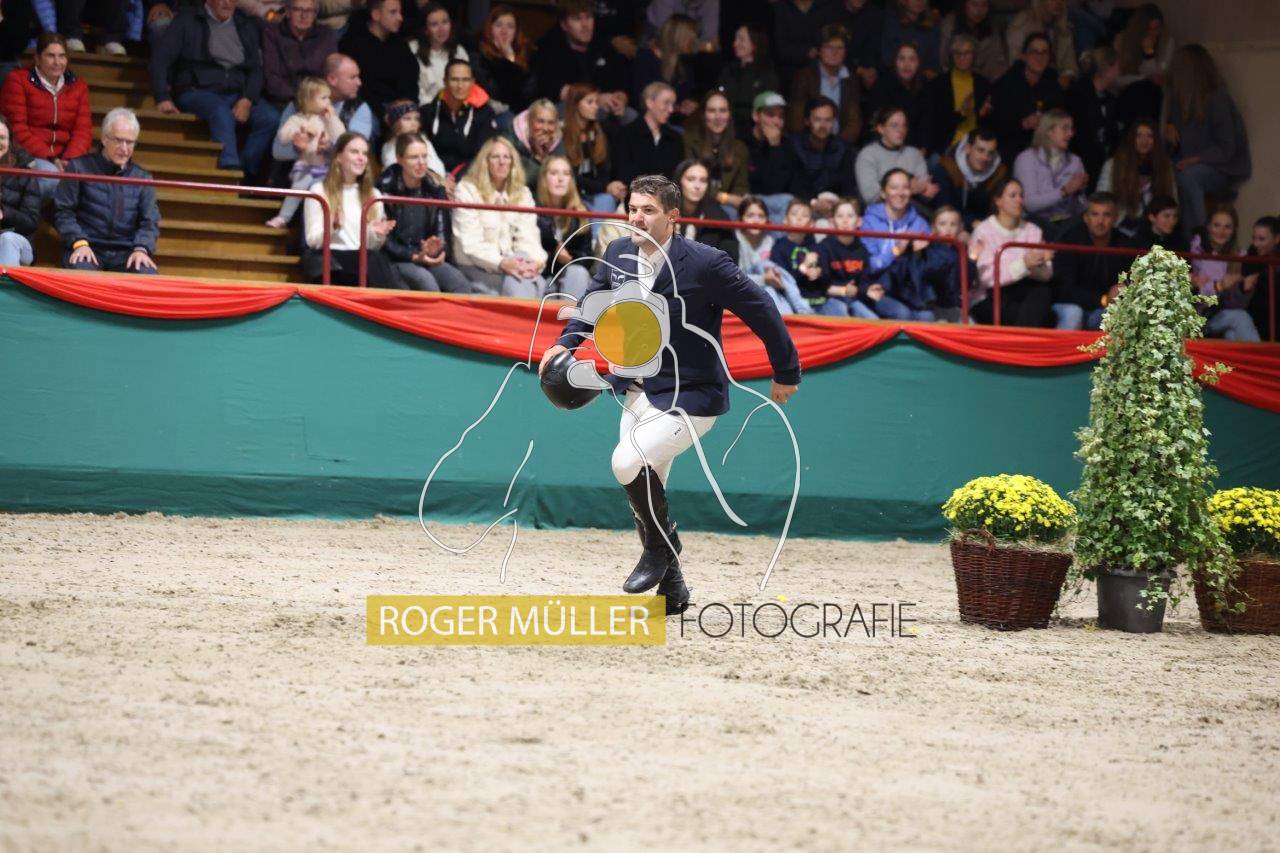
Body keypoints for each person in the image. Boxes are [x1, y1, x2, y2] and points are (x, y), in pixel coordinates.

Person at [538, 173, 801, 613]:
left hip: (691, 396)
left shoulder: (706, 262)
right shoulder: (617, 252)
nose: (637, 218)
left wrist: (786, 369)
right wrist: (566, 343)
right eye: (632, 209)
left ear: (673, 217)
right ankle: (673, 588)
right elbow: (593, 302)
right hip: (636, 390)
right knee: (648, 491)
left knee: (626, 462)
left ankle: (663, 548)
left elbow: (762, 308)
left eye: (648, 211)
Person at [150, 0, 280, 178]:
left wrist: (248, 98)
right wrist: (162, 97)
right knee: (221, 112)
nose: (227, 3)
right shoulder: (187, 21)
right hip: (197, 90)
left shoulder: (245, 25)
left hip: (237, 93)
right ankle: (229, 170)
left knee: (270, 118)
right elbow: (160, 59)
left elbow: (256, 70)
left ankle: (246, 172)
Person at [54, 108, 160, 275]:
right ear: (104, 138)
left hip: (127, 252)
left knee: (147, 276)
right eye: (118, 140)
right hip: (86, 246)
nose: (124, 148)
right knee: (84, 276)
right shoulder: (78, 167)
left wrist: (142, 248)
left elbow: (149, 221)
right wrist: (79, 242)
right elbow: (63, 212)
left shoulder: (143, 177)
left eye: (130, 142)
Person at [1163, 44, 1251, 241]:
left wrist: (1196, 159)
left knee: (1189, 177)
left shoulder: (1217, 99)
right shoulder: (1178, 101)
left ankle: (1198, 240)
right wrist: (1168, 131)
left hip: (1219, 168)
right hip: (1185, 164)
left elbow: (1226, 148)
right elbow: (1174, 148)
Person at [451, 135, 549, 298]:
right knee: (530, 288)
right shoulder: (467, 190)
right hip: (478, 266)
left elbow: (529, 236)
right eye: (495, 157)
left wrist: (533, 263)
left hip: (515, 265)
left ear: (513, 162)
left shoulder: (522, 193)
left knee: (526, 283)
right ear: (485, 162)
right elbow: (471, 244)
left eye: (506, 157)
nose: (502, 162)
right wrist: (503, 263)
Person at [0, 33, 91, 205]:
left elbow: (83, 131)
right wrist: (51, 159)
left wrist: (67, 160)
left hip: (66, 158)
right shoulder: (18, 80)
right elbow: (17, 129)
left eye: (62, 56)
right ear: (37, 58)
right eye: (50, 56)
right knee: (51, 178)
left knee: (90, 185)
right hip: (28, 154)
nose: (57, 62)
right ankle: (17, 214)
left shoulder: (79, 86)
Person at [374, 132, 471, 293]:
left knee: (460, 283)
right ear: (399, 159)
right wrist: (413, 256)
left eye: (424, 157)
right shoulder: (385, 188)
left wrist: (437, 250)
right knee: (426, 282)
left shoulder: (435, 188)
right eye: (414, 157)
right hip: (397, 258)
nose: (421, 163)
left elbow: (442, 231)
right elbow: (384, 241)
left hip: (426, 256)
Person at [301, 131, 397, 286]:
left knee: (376, 260)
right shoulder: (319, 191)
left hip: (361, 259)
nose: (361, 158)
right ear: (338, 156)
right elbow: (313, 241)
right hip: (331, 257)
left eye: (364, 153)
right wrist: (332, 227)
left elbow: (372, 246)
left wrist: (375, 233)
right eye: (354, 152)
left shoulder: (374, 194)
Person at [970, 176, 1054, 326]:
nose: (1019, 200)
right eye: (1013, 196)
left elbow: (1047, 274)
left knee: (1042, 293)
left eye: (1021, 196)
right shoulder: (983, 231)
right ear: (998, 201)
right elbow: (986, 278)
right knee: (1036, 316)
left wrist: (1039, 263)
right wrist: (1024, 264)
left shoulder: (1033, 230)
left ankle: (1023, 337)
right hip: (992, 295)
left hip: (1025, 290)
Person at [271, 53, 373, 171]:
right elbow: (277, 151)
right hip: (298, 174)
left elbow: (355, 153)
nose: (359, 83)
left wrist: (327, 149)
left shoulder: (359, 109)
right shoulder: (298, 106)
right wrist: (298, 148)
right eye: (352, 77)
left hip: (335, 177)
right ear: (332, 79)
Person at [266, 77, 345, 229]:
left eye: (329, 97)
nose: (328, 101)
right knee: (297, 189)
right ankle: (283, 217)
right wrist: (296, 134)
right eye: (324, 98)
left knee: (328, 191)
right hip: (305, 166)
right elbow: (282, 136)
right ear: (309, 100)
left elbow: (341, 135)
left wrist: (333, 118)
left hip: (324, 167)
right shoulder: (297, 119)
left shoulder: (327, 119)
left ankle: (335, 217)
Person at [1050, 192, 1131, 330]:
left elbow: (1133, 277)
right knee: (1074, 314)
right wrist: (1103, 299)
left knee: (1119, 315)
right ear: (1086, 218)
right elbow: (1064, 289)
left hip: (1105, 309)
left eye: (1106, 215)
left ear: (1115, 218)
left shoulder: (1124, 244)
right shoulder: (1070, 241)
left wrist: (1124, 287)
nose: (1100, 221)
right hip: (1070, 304)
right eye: (1095, 214)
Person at [530, 0, 628, 111]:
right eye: (577, 19)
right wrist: (596, 99)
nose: (585, 25)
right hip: (566, 108)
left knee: (629, 114)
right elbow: (555, 89)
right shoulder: (549, 48)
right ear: (564, 25)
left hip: (604, 107)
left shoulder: (603, 45)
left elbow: (620, 81)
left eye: (588, 17)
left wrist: (620, 98)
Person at [990, 32, 1065, 164]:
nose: (1039, 57)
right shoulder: (1006, 83)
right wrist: (1023, 124)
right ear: (1024, 56)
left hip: (1045, 148)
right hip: (1011, 150)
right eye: (1034, 52)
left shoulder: (1053, 82)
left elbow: (1060, 116)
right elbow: (996, 125)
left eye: (1044, 53)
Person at [1190, 205, 1259, 342]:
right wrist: (1219, 286)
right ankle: (1263, 356)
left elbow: (1233, 305)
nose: (1221, 231)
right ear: (1208, 227)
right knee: (1240, 318)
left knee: (1232, 334)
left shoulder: (1239, 257)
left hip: (1222, 314)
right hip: (1199, 316)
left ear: (1234, 230)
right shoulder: (1197, 252)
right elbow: (1197, 297)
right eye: (1217, 225)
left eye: (1227, 227)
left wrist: (1243, 289)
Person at [1013, 108, 1087, 235]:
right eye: (1065, 128)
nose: (1070, 134)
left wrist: (1078, 193)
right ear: (1049, 131)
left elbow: (1080, 208)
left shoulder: (1075, 162)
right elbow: (1029, 204)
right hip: (1033, 224)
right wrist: (1064, 192)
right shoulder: (1027, 159)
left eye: (1071, 129)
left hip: (1066, 223)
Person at [735, 195, 813, 315]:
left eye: (761, 216)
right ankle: (802, 309)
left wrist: (771, 278)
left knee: (770, 289)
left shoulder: (770, 241)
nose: (756, 221)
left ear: (767, 220)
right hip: (743, 291)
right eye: (750, 216)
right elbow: (734, 278)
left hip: (768, 288)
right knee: (764, 265)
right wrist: (764, 279)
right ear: (741, 219)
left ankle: (789, 318)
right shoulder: (734, 242)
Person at [420, 58, 499, 176]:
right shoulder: (428, 112)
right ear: (445, 81)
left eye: (465, 80)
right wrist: (437, 176)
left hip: (470, 175)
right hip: (433, 174)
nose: (460, 86)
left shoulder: (484, 113)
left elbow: (483, 154)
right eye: (454, 80)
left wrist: (457, 177)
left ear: (473, 82)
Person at [896, 205, 975, 322]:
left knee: (971, 324)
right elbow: (922, 276)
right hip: (932, 305)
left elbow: (968, 281)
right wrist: (917, 254)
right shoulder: (927, 249)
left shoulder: (960, 250)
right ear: (933, 227)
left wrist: (972, 259)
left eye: (953, 224)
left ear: (960, 228)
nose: (948, 229)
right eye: (942, 224)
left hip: (953, 305)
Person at [336, 0, 417, 113]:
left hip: (400, 108)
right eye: (393, 12)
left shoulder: (400, 45)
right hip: (365, 108)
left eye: (400, 12)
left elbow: (411, 81)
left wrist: (406, 105)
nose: (400, 18)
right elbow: (356, 89)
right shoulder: (352, 44)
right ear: (376, 15)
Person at [787, 24, 861, 145]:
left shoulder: (851, 79)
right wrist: (810, 145)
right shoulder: (804, 76)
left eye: (840, 48)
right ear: (819, 51)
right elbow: (796, 118)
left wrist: (838, 146)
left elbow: (854, 121)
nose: (834, 52)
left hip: (840, 145)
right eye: (829, 47)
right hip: (807, 144)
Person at [1097, 118, 1175, 232]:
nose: (1144, 141)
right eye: (1139, 136)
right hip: (1121, 227)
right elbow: (1101, 199)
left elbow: (1172, 201)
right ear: (1131, 139)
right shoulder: (1113, 165)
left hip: (1155, 229)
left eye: (1149, 136)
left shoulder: (1165, 166)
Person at [534, 154, 593, 302]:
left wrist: (569, 260)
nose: (560, 179)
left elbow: (587, 257)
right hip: (542, 276)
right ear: (544, 178)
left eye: (566, 174)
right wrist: (555, 256)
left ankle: (573, 317)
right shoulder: (533, 211)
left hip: (570, 277)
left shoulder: (581, 213)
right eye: (554, 173)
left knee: (578, 273)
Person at [260, 0, 339, 109]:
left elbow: (332, 73)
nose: (304, 16)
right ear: (288, 12)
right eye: (298, 10)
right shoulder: (273, 34)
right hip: (284, 101)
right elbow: (272, 78)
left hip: (319, 100)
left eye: (309, 11)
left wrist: (319, 98)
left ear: (315, 14)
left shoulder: (326, 35)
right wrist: (301, 99)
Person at [787, 96, 856, 219]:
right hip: (800, 208)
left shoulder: (843, 149)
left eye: (828, 120)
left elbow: (848, 188)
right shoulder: (793, 145)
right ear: (807, 121)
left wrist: (835, 204)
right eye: (817, 120)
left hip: (834, 211)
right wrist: (813, 202)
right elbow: (792, 185)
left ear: (834, 122)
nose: (823, 125)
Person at [562, 84, 624, 220]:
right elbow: (571, 177)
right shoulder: (564, 135)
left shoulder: (598, 133)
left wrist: (612, 187)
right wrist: (605, 187)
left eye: (596, 102)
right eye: (590, 102)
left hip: (595, 194)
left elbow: (604, 170)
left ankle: (600, 235)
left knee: (607, 200)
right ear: (575, 105)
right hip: (572, 193)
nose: (596, 107)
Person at [683, 91, 750, 216]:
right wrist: (723, 197)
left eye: (723, 111)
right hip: (694, 201)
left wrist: (731, 199)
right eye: (712, 111)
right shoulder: (689, 140)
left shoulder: (740, 148)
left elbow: (741, 188)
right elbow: (687, 181)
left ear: (729, 115)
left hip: (726, 208)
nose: (718, 117)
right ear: (704, 115)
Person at [927, 32, 993, 155]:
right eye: (957, 53)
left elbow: (988, 123)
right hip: (949, 145)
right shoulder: (939, 84)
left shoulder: (982, 83)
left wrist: (983, 114)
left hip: (977, 145)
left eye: (967, 53)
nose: (962, 57)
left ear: (974, 55)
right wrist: (961, 113)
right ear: (951, 56)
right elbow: (936, 124)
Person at [929, 125, 1007, 229]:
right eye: (980, 150)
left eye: (990, 153)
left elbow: (999, 209)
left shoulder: (999, 173)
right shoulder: (947, 167)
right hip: (951, 227)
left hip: (986, 228)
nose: (985, 158)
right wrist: (971, 223)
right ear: (968, 148)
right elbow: (943, 208)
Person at [855, 106, 935, 206]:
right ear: (881, 129)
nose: (901, 130)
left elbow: (927, 190)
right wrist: (909, 187)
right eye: (894, 125)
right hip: (880, 211)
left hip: (913, 209)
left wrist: (889, 189)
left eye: (904, 125)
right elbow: (871, 196)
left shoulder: (914, 154)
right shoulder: (868, 155)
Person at [1064, 46, 1120, 189]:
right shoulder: (1077, 94)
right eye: (1116, 66)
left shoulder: (1110, 99)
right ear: (1107, 68)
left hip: (1101, 163)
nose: (1119, 71)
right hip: (1079, 164)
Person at [861, 168, 931, 279]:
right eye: (894, 188)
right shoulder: (869, 222)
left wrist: (921, 253)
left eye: (905, 188)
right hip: (878, 283)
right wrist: (896, 250)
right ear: (883, 193)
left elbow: (930, 268)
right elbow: (868, 266)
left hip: (911, 284)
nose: (900, 193)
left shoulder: (920, 223)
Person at [816, 197, 879, 318]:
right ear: (832, 222)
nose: (845, 220)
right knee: (842, 314)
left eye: (850, 216)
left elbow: (864, 282)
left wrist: (867, 290)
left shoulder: (862, 249)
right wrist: (844, 290)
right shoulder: (824, 247)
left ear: (859, 221)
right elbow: (822, 286)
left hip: (854, 299)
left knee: (873, 320)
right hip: (829, 300)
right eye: (840, 216)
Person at [610, 82, 683, 186]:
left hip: (667, 194)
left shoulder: (674, 138)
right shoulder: (626, 135)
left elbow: (677, 175)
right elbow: (622, 173)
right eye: (666, 103)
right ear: (649, 103)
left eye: (673, 104)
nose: (671, 109)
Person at [471, 4, 535, 124]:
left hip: (522, 112)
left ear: (516, 31)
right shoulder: (478, 55)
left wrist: (512, 61)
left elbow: (528, 94)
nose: (504, 31)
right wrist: (507, 62)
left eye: (510, 27)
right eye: (499, 25)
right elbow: (495, 93)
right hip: (492, 112)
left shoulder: (527, 53)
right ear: (490, 29)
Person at [716, 24, 781, 137]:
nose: (735, 44)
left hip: (752, 132)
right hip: (725, 128)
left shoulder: (766, 73)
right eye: (735, 39)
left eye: (741, 39)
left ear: (755, 43)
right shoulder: (729, 70)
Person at [630, 14, 699, 118]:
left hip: (677, 118)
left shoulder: (684, 63)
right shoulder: (645, 59)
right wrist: (675, 107)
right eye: (689, 39)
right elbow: (642, 99)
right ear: (678, 38)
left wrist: (688, 103)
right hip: (650, 118)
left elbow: (686, 93)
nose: (693, 42)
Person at [867, 42, 931, 153]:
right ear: (895, 63)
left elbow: (926, 125)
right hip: (884, 146)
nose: (907, 64)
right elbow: (875, 124)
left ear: (918, 64)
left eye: (912, 59)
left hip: (913, 149)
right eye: (902, 59)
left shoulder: (924, 86)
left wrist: (922, 149)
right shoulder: (882, 85)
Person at [744, 92, 796, 223]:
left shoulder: (787, 145)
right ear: (755, 115)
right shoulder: (742, 142)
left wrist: (775, 147)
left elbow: (777, 188)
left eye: (781, 116)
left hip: (776, 206)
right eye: (770, 115)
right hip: (747, 203)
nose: (777, 122)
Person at [674, 159, 737, 262]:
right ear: (679, 181)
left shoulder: (718, 216)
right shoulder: (664, 211)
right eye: (691, 179)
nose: (697, 186)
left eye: (703, 181)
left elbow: (730, 258)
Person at [0, 115, 40, 268]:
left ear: (10, 141)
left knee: (8, 240)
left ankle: (4, 285)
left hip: (17, 240)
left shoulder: (23, 169)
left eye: (2, 138)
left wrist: (4, 213)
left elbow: (31, 222)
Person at [408, 2, 468, 106]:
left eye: (445, 22)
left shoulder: (459, 51)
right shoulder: (412, 49)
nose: (441, 29)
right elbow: (413, 90)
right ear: (425, 30)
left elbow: (466, 84)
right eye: (434, 24)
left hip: (455, 107)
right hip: (423, 108)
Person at [1006, 0, 1078, 82]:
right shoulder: (1022, 24)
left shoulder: (1063, 28)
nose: (1058, 2)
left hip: (1057, 83)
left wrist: (1066, 78)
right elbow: (1016, 63)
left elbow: (1070, 65)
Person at [938, 0, 1007, 81]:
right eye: (974, 4)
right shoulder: (950, 27)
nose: (979, 10)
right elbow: (943, 62)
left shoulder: (992, 28)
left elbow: (998, 60)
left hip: (985, 81)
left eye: (984, 5)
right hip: (956, 80)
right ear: (964, 5)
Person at [505, 99, 560, 192]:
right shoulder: (509, 141)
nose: (545, 128)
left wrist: (544, 156)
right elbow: (520, 183)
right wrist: (537, 158)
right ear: (529, 121)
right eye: (540, 121)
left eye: (551, 123)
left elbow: (561, 181)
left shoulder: (558, 142)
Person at [880, 0, 942, 76]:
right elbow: (887, 58)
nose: (920, 1)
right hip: (895, 76)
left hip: (924, 78)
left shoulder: (932, 26)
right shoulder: (890, 22)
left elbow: (934, 62)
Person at [1243, 216, 1278, 342]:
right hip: (1255, 318)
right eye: (1254, 238)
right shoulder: (1250, 257)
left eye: (1261, 239)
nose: (1256, 243)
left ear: (1277, 239)